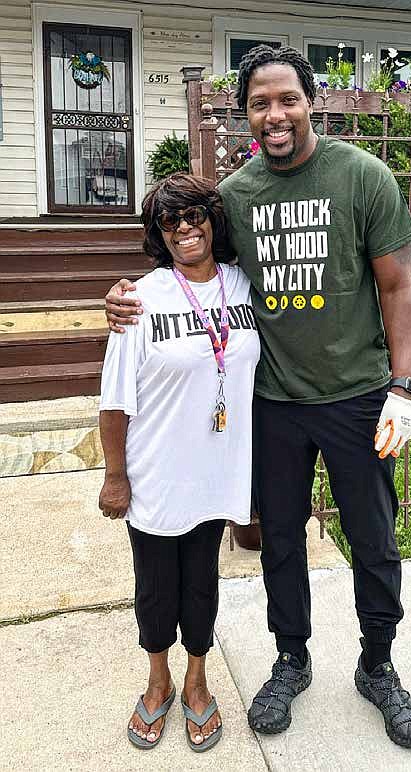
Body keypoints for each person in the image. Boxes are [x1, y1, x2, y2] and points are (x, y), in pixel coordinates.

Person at [104, 46, 411, 750]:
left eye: (287, 99)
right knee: (279, 541)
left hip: (358, 400)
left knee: (373, 539)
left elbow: (398, 286)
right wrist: (127, 294)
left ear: (311, 101)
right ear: (245, 112)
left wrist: (403, 388)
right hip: (274, 406)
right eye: (260, 103)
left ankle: (379, 665)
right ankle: (292, 658)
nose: (275, 114)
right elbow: (190, 263)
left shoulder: (362, 177)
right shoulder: (238, 195)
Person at [98, 172, 260, 752]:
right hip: (156, 475)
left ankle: (197, 680)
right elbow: (114, 400)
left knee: (202, 583)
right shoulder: (139, 300)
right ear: (157, 234)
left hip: (216, 472)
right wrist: (115, 477)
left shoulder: (244, 285)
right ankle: (157, 678)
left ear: (214, 220)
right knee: (155, 587)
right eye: (170, 221)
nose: (185, 228)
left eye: (195, 216)